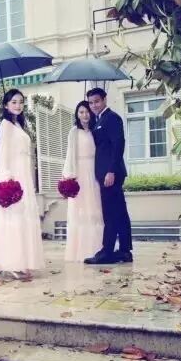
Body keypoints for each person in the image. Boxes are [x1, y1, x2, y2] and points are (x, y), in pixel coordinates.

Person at [0, 89, 44, 280]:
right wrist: (6, 180)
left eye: (21, 102)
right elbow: (3, 153)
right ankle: (12, 263)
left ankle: (22, 261)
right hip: (13, 177)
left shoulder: (19, 125)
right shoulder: (5, 126)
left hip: (25, 176)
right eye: (13, 102)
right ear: (6, 105)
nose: (18, 105)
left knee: (23, 219)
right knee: (13, 219)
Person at [84, 87, 133, 265]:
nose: (94, 105)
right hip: (106, 174)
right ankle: (125, 251)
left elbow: (119, 145)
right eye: (91, 103)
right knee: (120, 212)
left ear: (104, 100)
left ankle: (107, 251)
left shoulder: (112, 118)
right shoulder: (98, 120)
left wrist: (111, 171)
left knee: (110, 213)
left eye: (97, 101)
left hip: (111, 174)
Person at [63, 101, 104, 262]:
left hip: (94, 173)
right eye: (81, 112)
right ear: (77, 114)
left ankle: (97, 248)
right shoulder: (74, 132)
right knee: (80, 211)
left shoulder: (95, 130)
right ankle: (80, 251)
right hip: (80, 173)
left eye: (87, 111)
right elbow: (70, 154)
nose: (84, 115)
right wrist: (69, 176)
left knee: (95, 209)